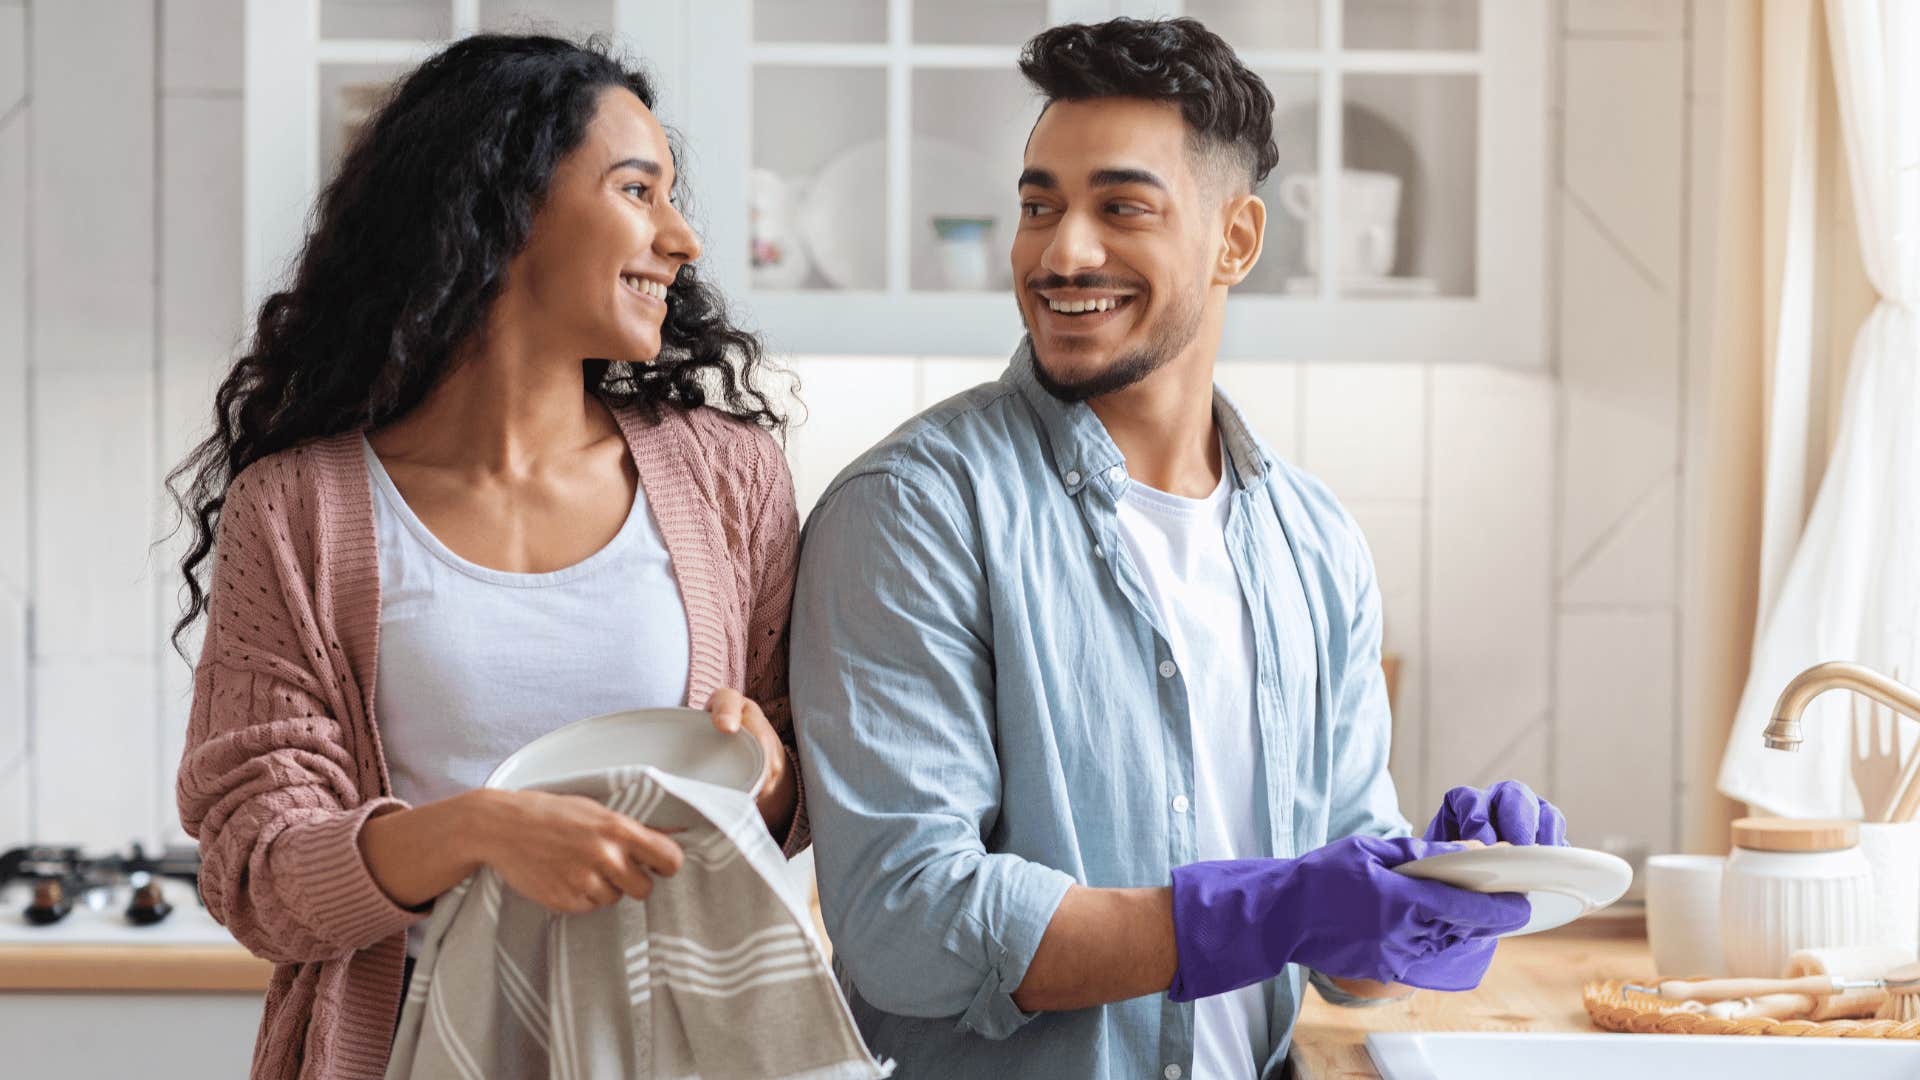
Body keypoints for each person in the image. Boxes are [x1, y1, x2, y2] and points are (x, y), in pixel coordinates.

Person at [790, 17, 1567, 1079]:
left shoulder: (1313, 544)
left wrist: (1447, 886)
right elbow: (908, 929)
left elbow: (1355, 966)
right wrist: (1265, 910)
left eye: (1121, 207)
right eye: (1038, 205)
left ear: (1236, 240)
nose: (1061, 251)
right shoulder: (918, 514)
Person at [168, 35, 803, 1079]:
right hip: (407, 1043)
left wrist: (768, 773)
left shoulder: (729, 478)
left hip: (667, 1041)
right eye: (639, 191)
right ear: (501, 206)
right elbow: (258, 870)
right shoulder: (298, 511)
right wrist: (478, 832)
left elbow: (793, 792)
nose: (682, 238)